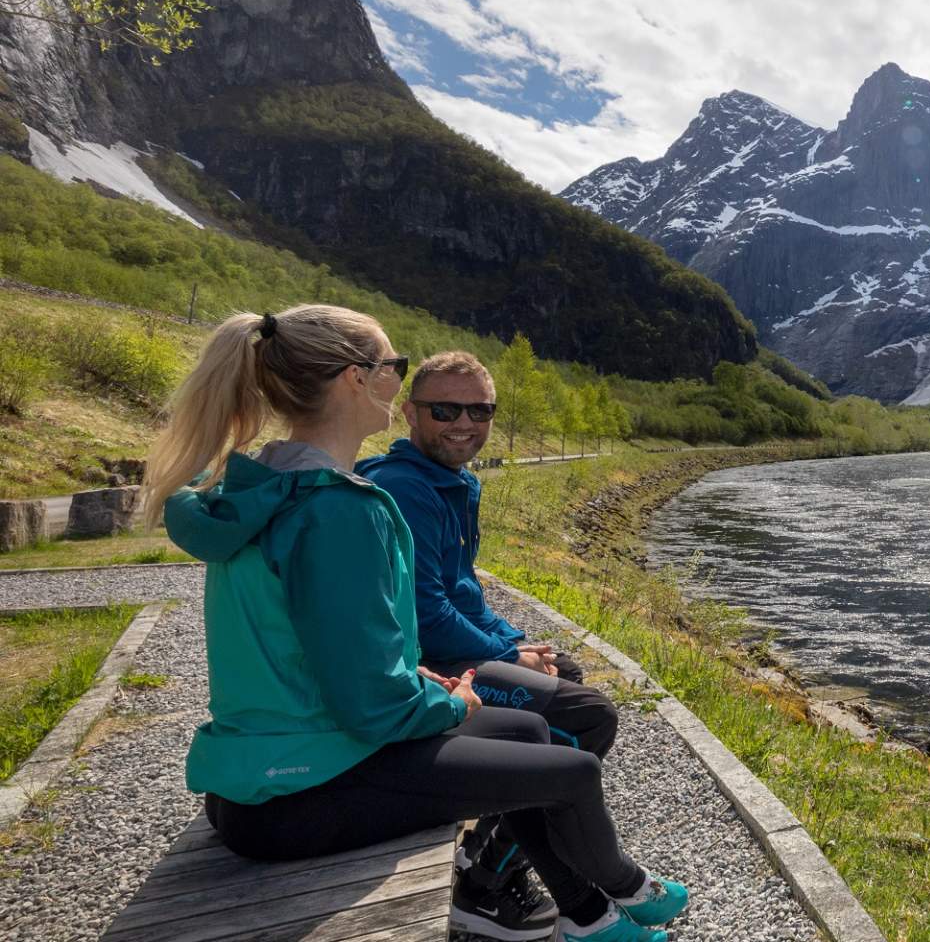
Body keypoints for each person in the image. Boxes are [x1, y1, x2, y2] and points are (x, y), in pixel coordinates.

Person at [143, 304, 687, 942]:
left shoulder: (261, 490)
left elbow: (320, 655)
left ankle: (585, 914)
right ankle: (622, 891)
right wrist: (450, 701)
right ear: (356, 378)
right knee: (573, 772)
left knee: (531, 729)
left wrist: (423, 679)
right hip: (298, 792)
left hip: (267, 770)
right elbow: (370, 706)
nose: (397, 380)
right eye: (394, 366)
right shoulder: (338, 511)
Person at [356, 350, 621, 935]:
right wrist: (507, 656)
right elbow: (426, 613)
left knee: (565, 674)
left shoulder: (451, 481)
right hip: (430, 662)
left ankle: (495, 856)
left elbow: (464, 592)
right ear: (409, 412)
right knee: (588, 718)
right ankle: (488, 881)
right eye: (445, 409)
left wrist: (517, 642)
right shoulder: (406, 487)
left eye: (481, 410)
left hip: (454, 649)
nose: (464, 424)